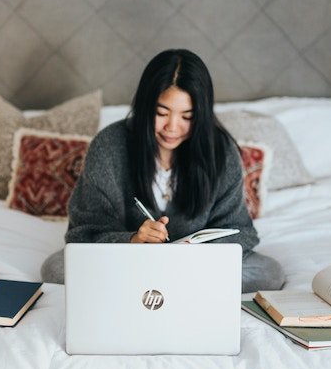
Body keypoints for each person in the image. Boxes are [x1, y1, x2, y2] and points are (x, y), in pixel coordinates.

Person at [41, 49, 285, 293]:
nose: (172, 127)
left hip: (195, 265)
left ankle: (150, 288)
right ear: (145, 106)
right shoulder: (109, 146)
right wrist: (133, 240)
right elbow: (84, 233)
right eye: (161, 113)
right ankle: (177, 289)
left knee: (269, 273)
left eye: (187, 116)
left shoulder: (220, 152)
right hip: (126, 260)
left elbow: (240, 231)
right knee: (56, 268)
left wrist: (195, 253)